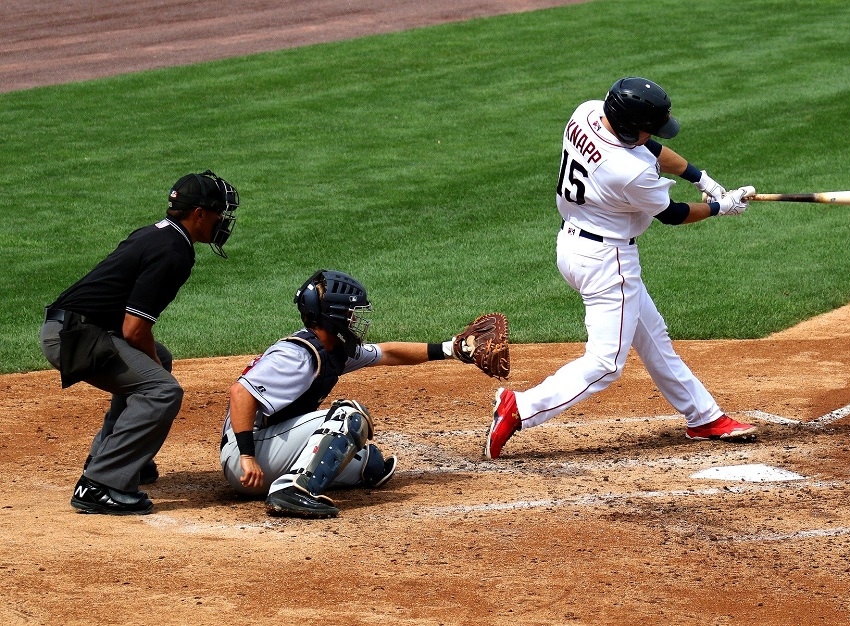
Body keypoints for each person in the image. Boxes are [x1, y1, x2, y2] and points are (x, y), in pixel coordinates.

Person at [485, 77, 758, 459]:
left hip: (573, 246)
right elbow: (673, 214)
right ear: (630, 127)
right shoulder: (628, 171)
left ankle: (704, 417)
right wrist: (720, 207)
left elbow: (651, 147)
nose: (653, 135)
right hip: (607, 262)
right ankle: (521, 407)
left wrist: (702, 179)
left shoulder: (587, 113)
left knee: (652, 336)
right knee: (606, 362)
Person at [221, 269, 500, 519]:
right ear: (332, 316)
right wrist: (247, 457)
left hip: (269, 449)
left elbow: (387, 353)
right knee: (349, 417)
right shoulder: (296, 355)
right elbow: (240, 392)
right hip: (247, 457)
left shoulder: (331, 348)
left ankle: (297, 479)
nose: (354, 319)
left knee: (368, 462)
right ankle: (291, 490)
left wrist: (452, 349)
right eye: (349, 313)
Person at [40, 170, 240, 514]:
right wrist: (155, 367)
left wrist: (154, 361)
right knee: (162, 390)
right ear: (199, 214)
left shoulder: (158, 234)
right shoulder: (174, 252)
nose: (221, 220)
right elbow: (134, 329)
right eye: (218, 213)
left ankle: (114, 456)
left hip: (74, 328)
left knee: (159, 358)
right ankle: (99, 485)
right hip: (74, 337)